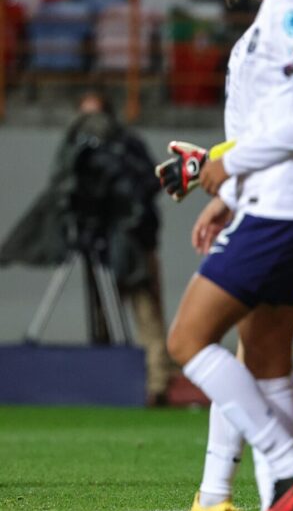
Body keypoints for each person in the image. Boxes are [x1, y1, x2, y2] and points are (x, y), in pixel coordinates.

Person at [161, 0, 293, 511]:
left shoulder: (288, 12)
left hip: (278, 213)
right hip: (278, 206)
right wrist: (222, 179)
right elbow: (281, 125)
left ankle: (289, 466)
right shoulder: (281, 12)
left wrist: (228, 162)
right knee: (265, 360)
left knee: (187, 339)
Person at [0, 90, 175, 407]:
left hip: (134, 244)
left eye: (95, 116)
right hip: (100, 242)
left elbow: (149, 184)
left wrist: (125, 197)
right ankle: (110, 383)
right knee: (104, 315)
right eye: (83, 116)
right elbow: (62, 187)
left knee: (147, 314)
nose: (89, 124)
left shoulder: (128, 144)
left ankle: (157, 383)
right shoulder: (74, 149)